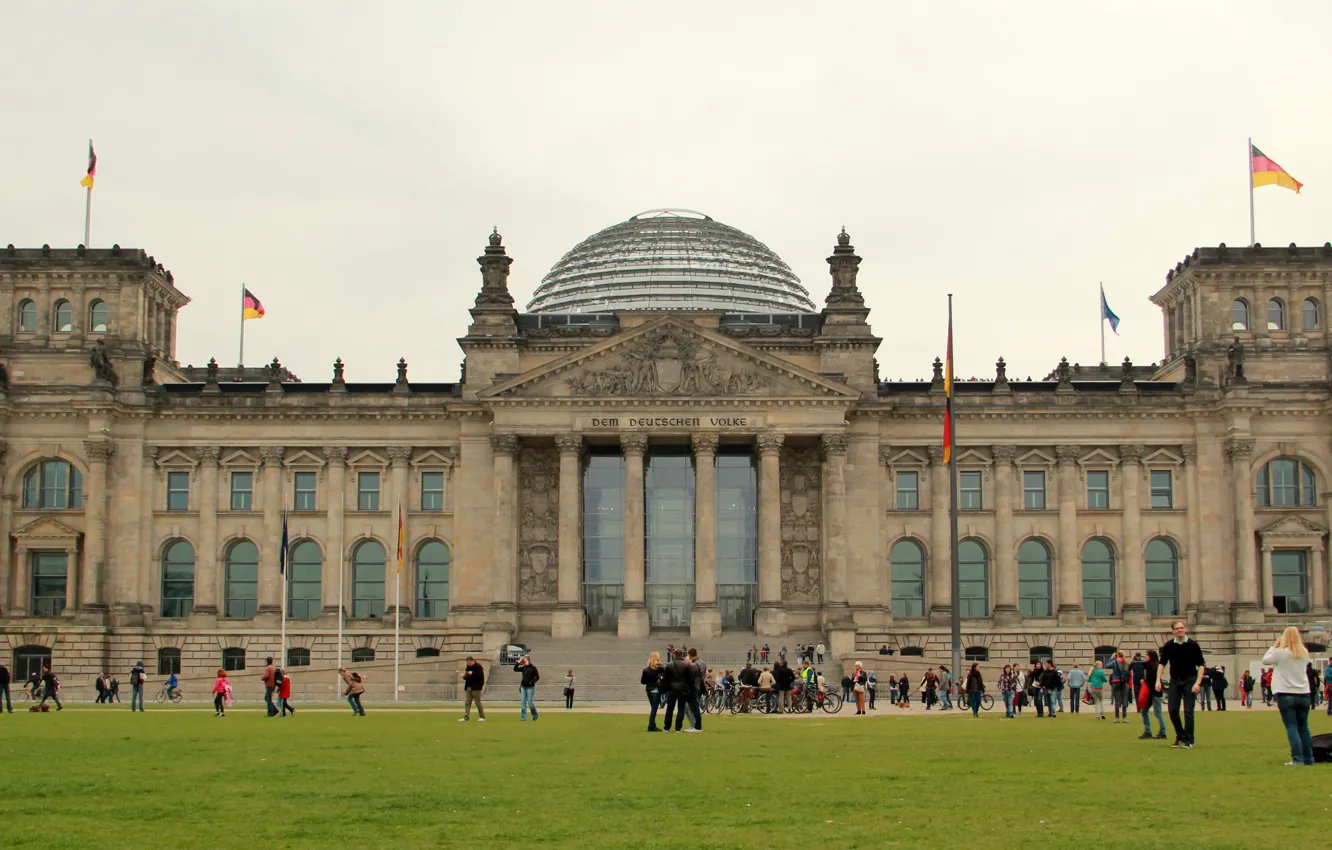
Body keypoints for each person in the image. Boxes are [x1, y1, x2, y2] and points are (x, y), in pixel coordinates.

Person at [1262, 626, 1314, 765]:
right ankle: (1308, 757)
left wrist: (1274, 646)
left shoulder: (1280, 653)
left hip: (1286, 692)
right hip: (1303, 693)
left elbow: (1265, 660)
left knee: (1292, 727)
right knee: (1304, 727)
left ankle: (1297, 758)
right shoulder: (1304, 653)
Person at [1158, 619, 1206, 749]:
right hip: (1175, 681)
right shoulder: (1169, 646)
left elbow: (1201, 665)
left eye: (1182, 628)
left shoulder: (1193, 645)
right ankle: (1180, 736)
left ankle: (1189, 740)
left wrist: (1198, 682)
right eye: (1177, 628)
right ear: (1173, 631)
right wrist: (1158, 680)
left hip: (1190, 680)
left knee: (1188, 711)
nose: (1180, 630)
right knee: (1172, 710)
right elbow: (1162, 663)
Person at [1135, 648, 1167, 740]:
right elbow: (1140, 664)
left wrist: (1144, 681)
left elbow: (1152, 680)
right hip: (1149, 693)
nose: (1145, 656)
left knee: (1158, 713)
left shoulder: (1155, 667)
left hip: (1155, 693)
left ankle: (1163, 732)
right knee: (1144, 711)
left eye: (1147, 655)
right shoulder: (1150, 666)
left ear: (1151, 656)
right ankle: (1147, 731)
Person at [662, 650, 694, 731]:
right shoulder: (686, 665)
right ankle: (678, 727)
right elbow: (689, 679)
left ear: (674, 655)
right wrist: (688, 689)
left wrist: (665, 689)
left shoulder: (669, 665)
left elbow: (666, 679)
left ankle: (667, 727)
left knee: (669, 709)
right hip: (682, 689)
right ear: (682, 655)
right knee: (681, 709)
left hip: (672, 689)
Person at [460, 655, 487, 722]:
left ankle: (482, 717)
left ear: (472, 661)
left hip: (476, 688)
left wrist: (473, 673)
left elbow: (480, 676)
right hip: (469, 686)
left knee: (477, 702)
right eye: (467, 663)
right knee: (467, 702)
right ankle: (466, 717)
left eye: (469, 663)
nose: (468, 664)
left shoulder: (478, 667)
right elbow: (466, 676)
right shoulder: (468, 667)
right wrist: (464, 676)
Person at [641, 652, 663, 731]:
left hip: (649, 690)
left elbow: (643, 682)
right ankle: (651, 725)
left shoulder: (646, 670)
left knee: (653, 708)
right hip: (655, 690)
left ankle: (653, 725)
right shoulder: (658, 669)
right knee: (654, 708)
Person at [513, 656, 540, 721]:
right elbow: (515, 669)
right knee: (523, 703)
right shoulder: (524, 668)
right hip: (523, 687)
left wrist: (532, 682)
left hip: (530, 687)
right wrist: (518, 662)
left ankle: (535, 715)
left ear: (528, 660)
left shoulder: (533, 668)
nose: (523, 662)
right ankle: (524, 717)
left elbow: (537, 677)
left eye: (524, 661)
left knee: (530, 703)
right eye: (523, 661)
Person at [1107, 651, 1129, 723]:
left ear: (1116, 655)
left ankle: (1117, 718)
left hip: (1116, 682)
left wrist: (1111, 658)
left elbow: (1107, 665)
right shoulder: (1125, 662)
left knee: (1117, 699)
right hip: (1124, 682)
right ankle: (1124, 718)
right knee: (1124, 699)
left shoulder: (1114, 662)